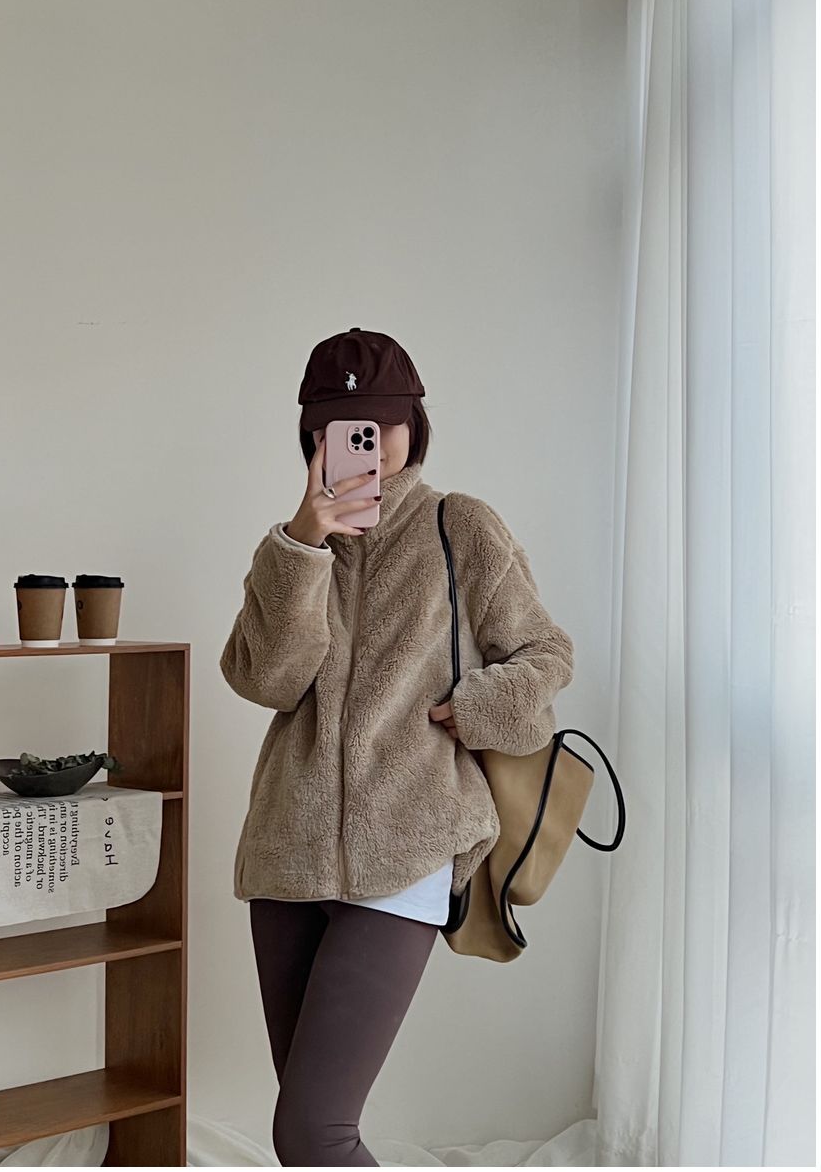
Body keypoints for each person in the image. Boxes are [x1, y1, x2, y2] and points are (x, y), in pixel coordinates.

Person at [219, 328, 574, 1166]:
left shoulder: (461, 526)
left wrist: (477, 706)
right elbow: (265, 679)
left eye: (382, 424)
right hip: (287, 855)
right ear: (313, 437)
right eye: (345, 429)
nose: (369, 444)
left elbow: (545, 655)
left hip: (407, 847)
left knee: (312, 1131)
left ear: (414, 424)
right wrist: (304, 545)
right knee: (307, 1134)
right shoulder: (292, 549)